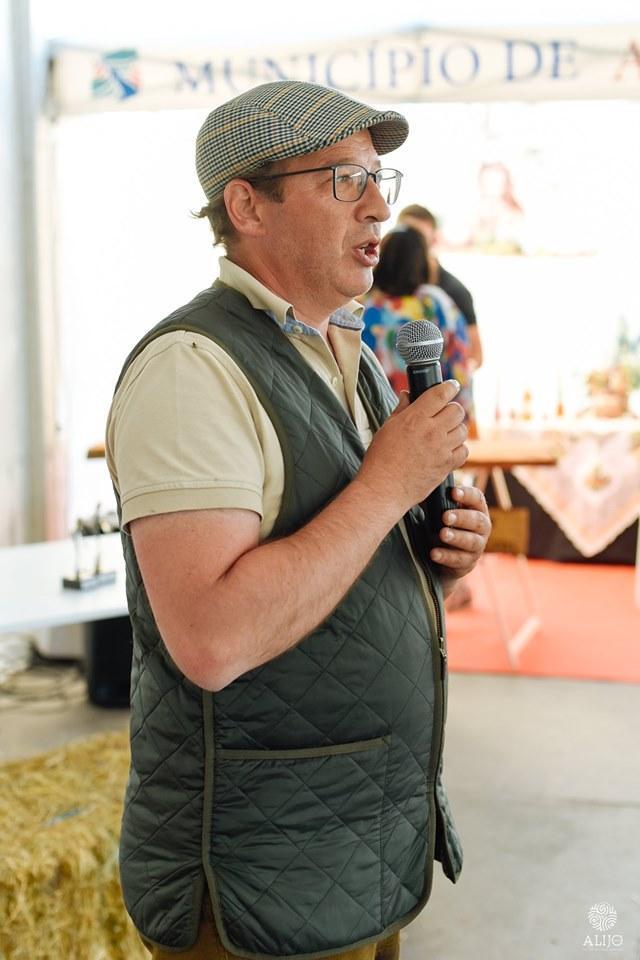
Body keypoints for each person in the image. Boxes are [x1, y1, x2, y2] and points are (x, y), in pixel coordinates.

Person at [105, 79, 491, 960]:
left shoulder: (344, 351)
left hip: (357, 853)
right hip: (256, 884)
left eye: (379, 179)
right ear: (248, 206)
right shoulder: (191, 368)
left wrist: (429, 558)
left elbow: (337, 561)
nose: (378, 207)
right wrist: (387, 486)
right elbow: (213, 639)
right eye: (344, 180)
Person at [361, 225, 476, 433]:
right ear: (421, 261)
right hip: (434, 423)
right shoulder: (436, 304)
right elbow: (460, 364)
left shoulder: (366, 310)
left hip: (381, 429)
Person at [397, 204, 483, 373]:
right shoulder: (374, 287)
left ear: (433, 240)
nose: (409, 243)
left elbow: (475, 356)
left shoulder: (455, 292)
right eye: (404, 234)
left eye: (418, 238)